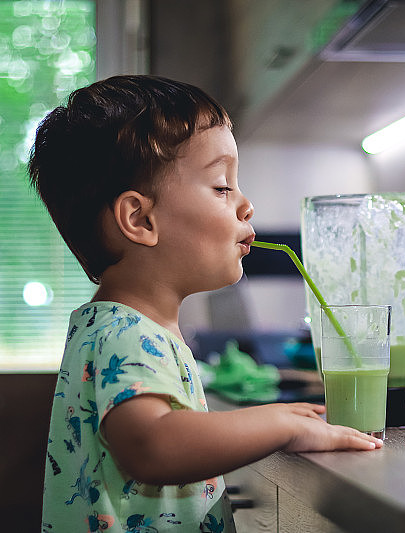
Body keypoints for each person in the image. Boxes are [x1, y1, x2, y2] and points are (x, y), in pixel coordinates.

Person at [30, 75, 383, 533]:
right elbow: (152, 445)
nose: (246, 206)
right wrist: (281, 424)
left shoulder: (128, 327)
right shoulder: (123, 332)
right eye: (222, 186)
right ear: (140, 219)